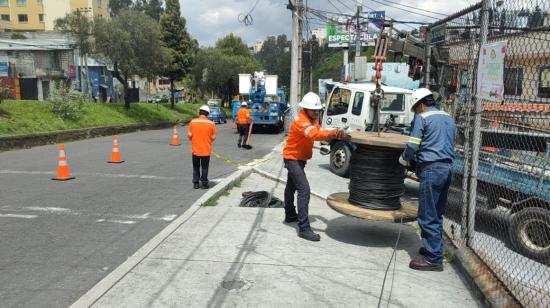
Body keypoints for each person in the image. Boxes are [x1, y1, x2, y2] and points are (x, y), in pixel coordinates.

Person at [399, 88, 456, 271]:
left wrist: (405, 157)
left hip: (431, 170)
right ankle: (434, 249)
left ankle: (433, 259)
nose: (416, 111)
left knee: (427, 214)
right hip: (447, 168)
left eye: (416, 108)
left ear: (421, 105)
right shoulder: (448, 117)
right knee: (437, 212)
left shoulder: (422, 118)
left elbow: (413, 144)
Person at [283, 92, 348, 241]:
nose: (317, 112)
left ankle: (290, 215)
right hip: (292, 158)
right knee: (304, 190)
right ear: (305, 109)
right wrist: (334, 134)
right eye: (314, 110)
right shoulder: (301, 121)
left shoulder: (312, 119)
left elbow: (318, 131)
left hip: (298, 158)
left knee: (291, 187)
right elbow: (314, 135)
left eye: (318, 110)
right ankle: (304, 228)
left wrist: (333, 133)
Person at [188, 105, 217, 190]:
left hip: (195, 150)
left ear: (199, 112)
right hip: (206, 150)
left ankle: (196, 183)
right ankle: (204, 184)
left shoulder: (193, 122)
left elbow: (189, 136)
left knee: (196, 167)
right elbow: (213, 137)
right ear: (207, 114)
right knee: (204, 167)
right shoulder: (211, 123)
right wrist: (207, 141)